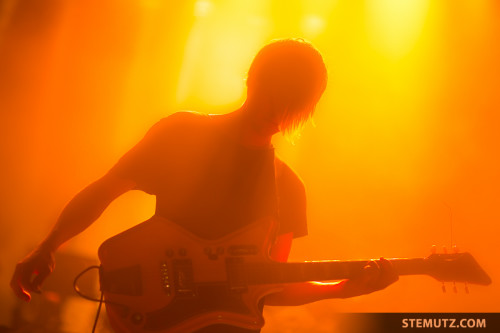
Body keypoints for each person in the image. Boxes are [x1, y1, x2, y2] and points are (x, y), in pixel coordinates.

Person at [11, 38, 398, 332]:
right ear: (252, 78)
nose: (276, 111)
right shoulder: (183, 134)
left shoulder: (288, 188)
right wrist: (49, 246)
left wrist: (344, 288)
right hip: (153, 313)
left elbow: (270, 284)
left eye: (290, 104)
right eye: (272, 94)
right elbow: (105, 190)